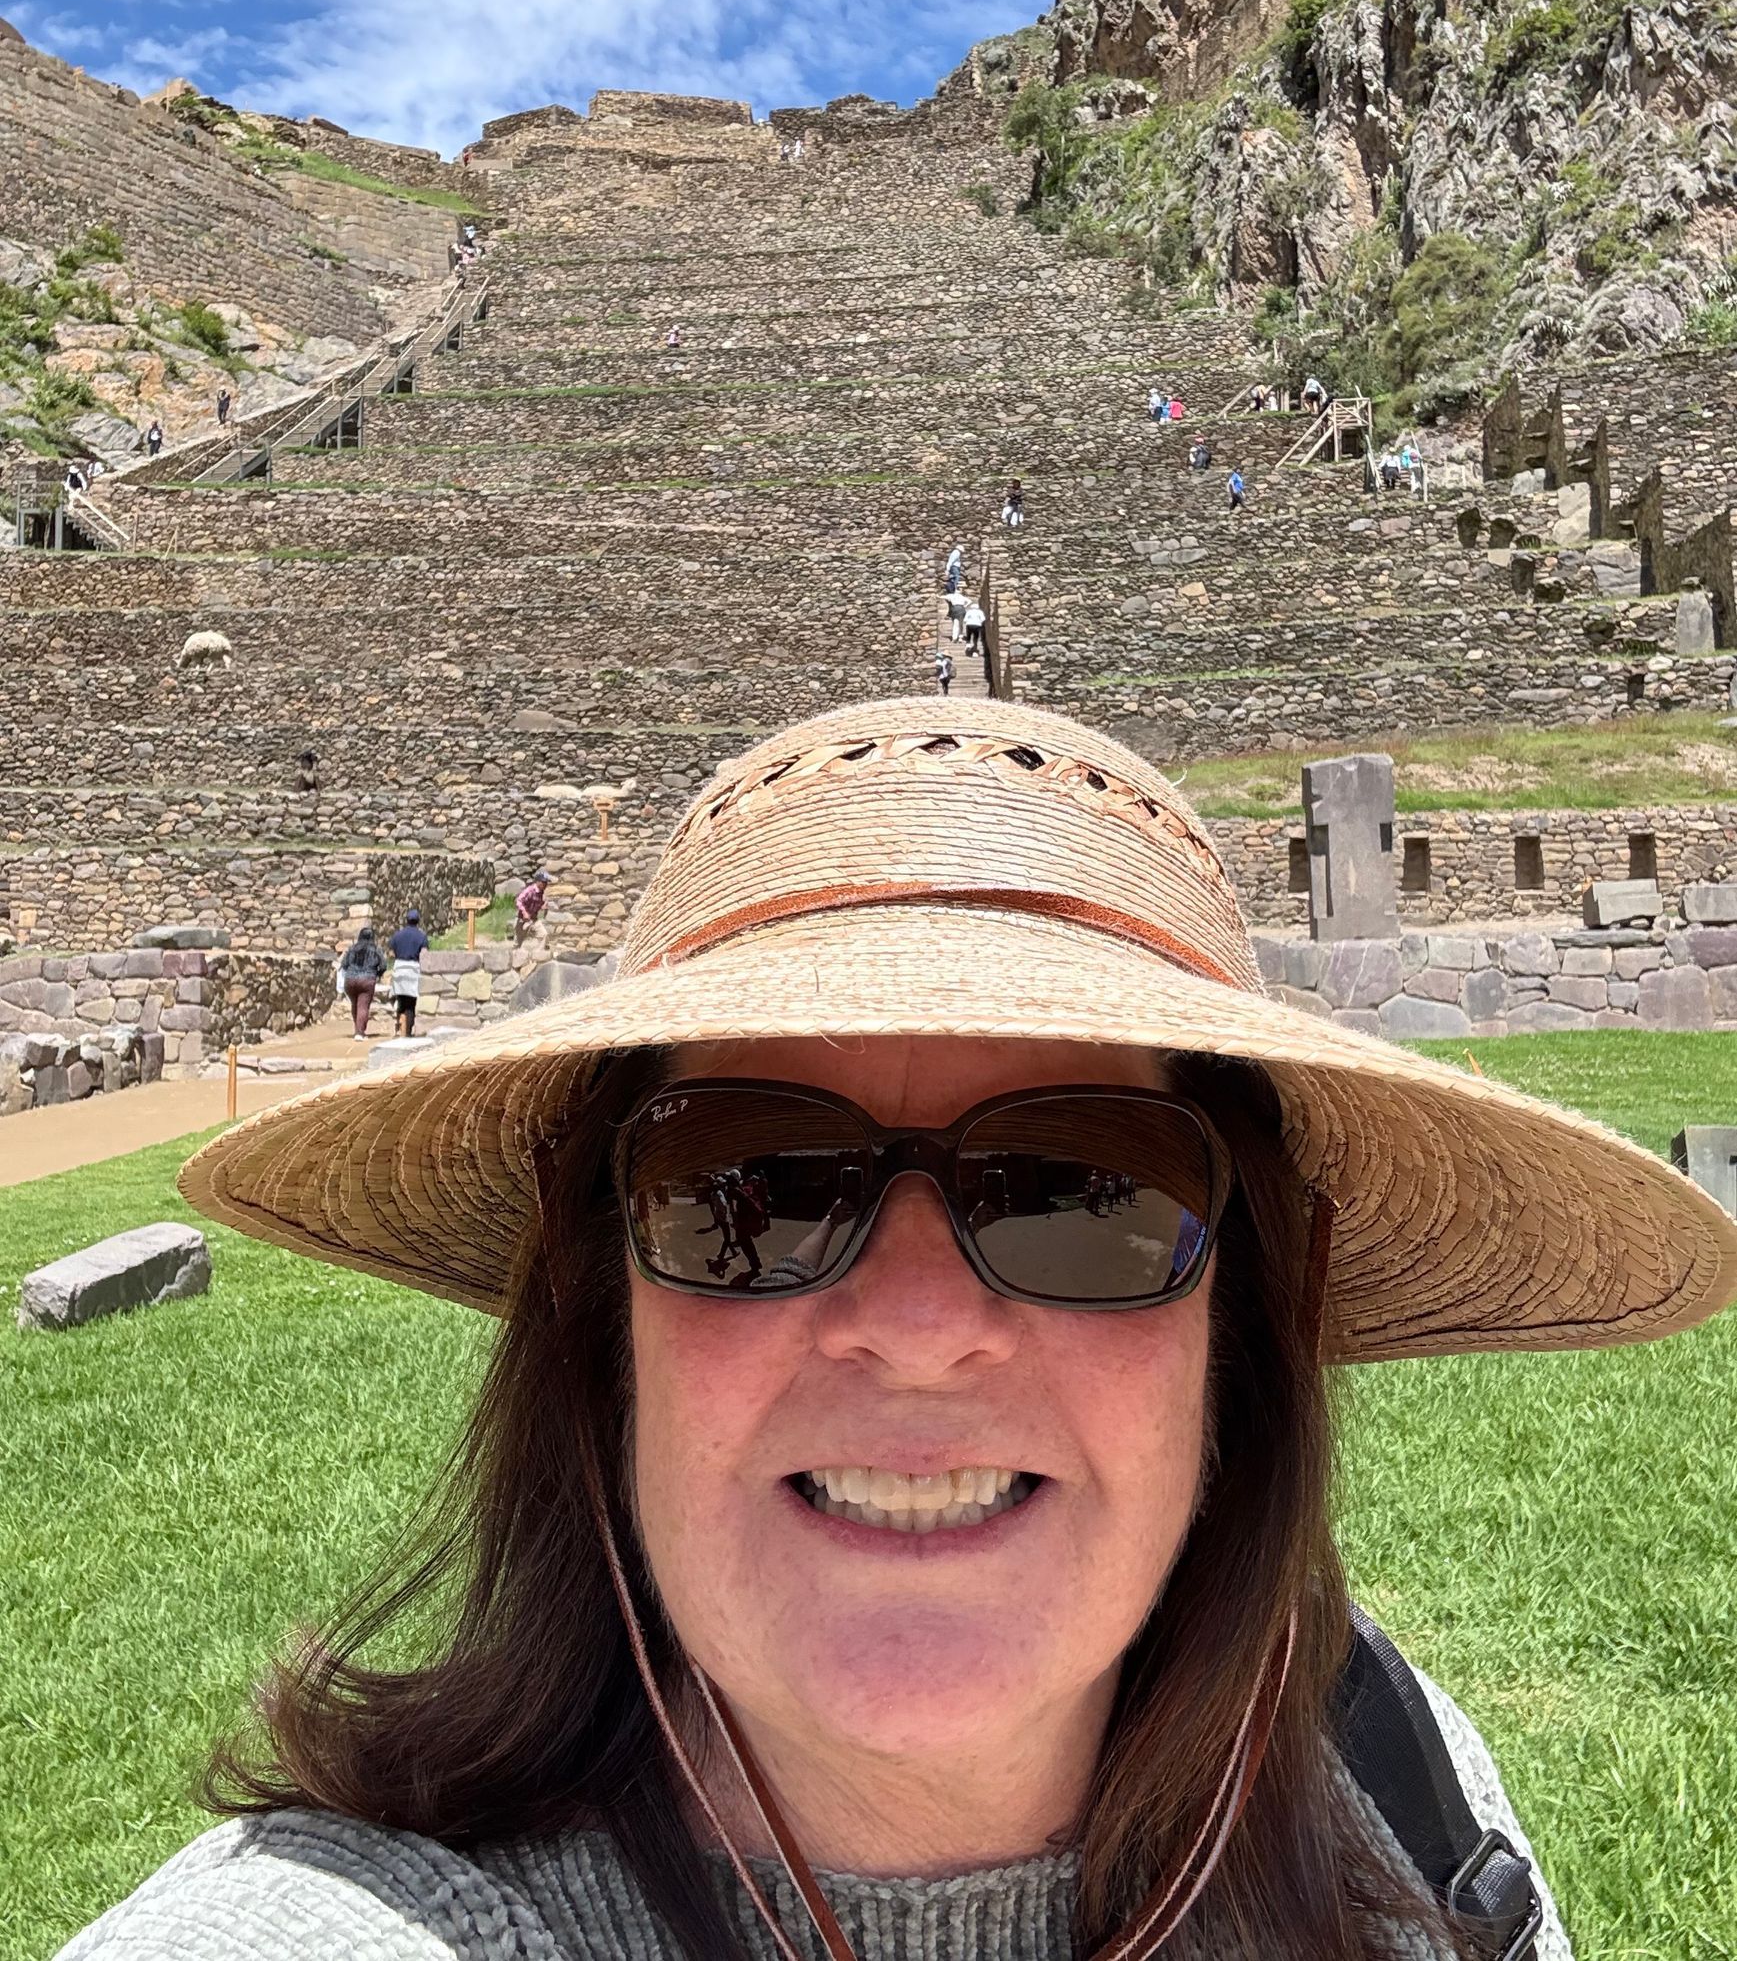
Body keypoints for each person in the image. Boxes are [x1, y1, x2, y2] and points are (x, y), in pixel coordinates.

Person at [80, 691, 1737, 1961]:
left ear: (1251, 1314)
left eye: (1082, 1188)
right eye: (753, 1187)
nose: (920, 1326)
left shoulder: (1387, 1786)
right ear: (599, 1308)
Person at [337, 925, 386, 1040]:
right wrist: (377, 974)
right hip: (367, 980)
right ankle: (359, 1032)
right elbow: (383, 965)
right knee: (363, 1006)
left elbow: (344, 964)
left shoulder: (352, 948)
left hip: (350, 980)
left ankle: (357, 1029)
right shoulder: (376, 949)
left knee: (355, 1004)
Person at [387, 909, 430, 1040]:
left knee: (401, 1000)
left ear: (406, 920)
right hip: (413, 970)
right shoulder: (422, 937)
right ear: (418, 921)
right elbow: (424, 954)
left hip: (399, 968)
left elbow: (390, 953)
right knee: (411, 1003)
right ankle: (408, 1031)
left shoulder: (397, 935)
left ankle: (400, 1027)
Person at [515, 871, 551, 942]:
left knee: (543, 935)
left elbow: (536, 905)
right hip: (522, 919)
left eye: (546, 883)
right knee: (518, 942)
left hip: (534, 919)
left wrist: (542, 906)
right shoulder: (529, 890)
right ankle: (514, 952)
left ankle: (538, 952)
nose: (545, 884)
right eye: (543, 882)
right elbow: (519, 901)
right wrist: (524, 912)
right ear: (538, 882)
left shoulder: (541, 893)